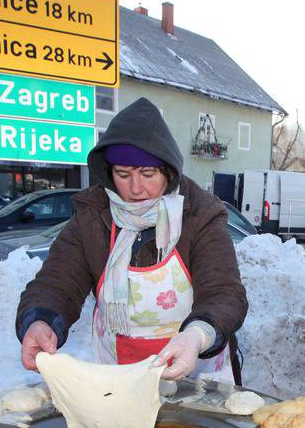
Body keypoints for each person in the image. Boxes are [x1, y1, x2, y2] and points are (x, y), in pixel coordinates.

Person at [16, 97, 247, 381]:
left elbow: (224, 293)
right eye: (123, 174)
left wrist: (198, 335)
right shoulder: (93, 216)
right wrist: (40, 319)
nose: (136, 188)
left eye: (148, 174)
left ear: (169, 171)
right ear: (108, 172)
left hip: (195, 370)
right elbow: (58, 281)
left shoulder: (199, 214)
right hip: (121, 377)